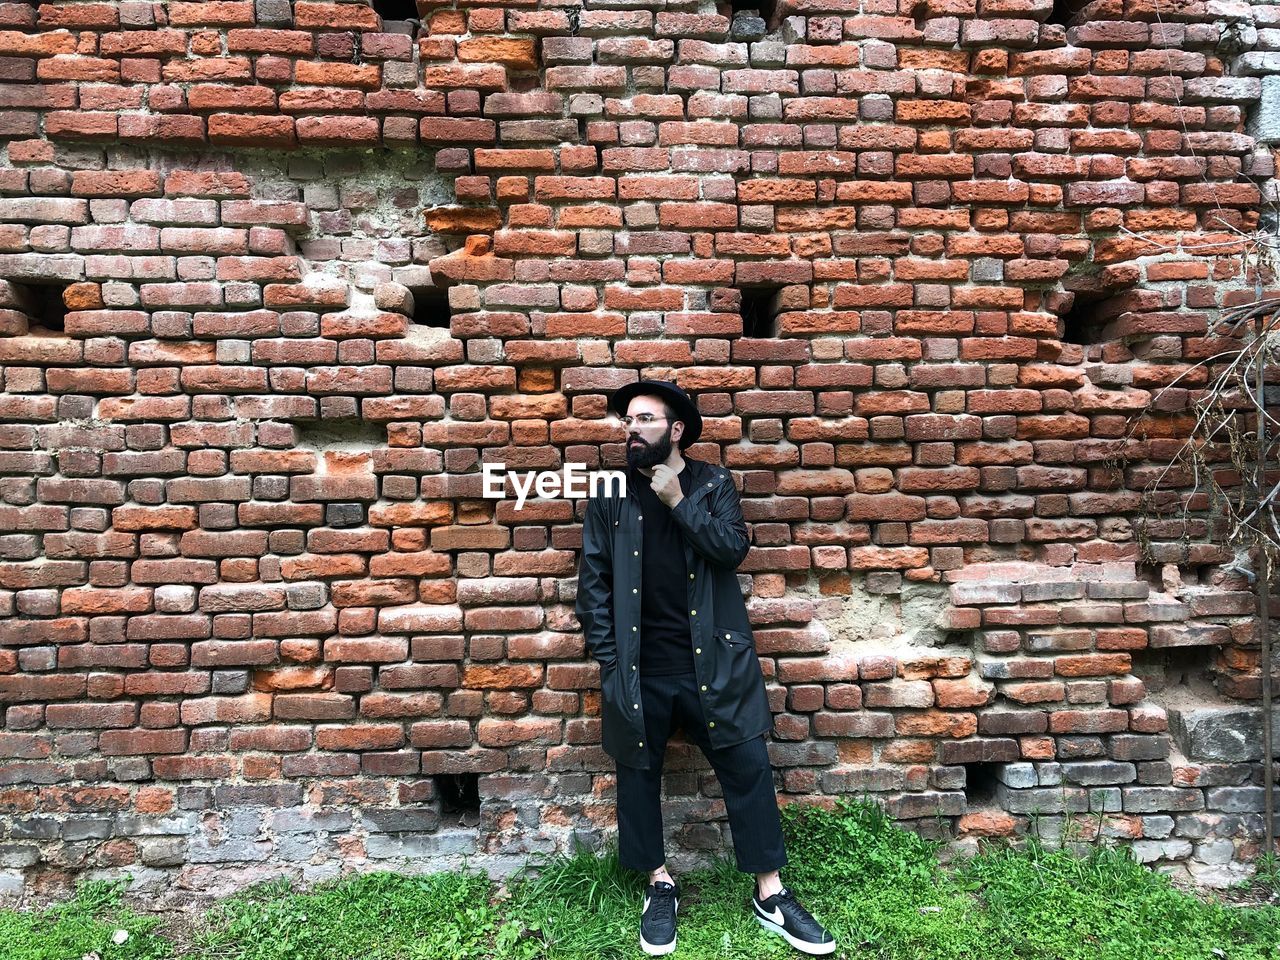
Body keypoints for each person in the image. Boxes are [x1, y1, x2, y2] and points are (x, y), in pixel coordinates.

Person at [574, 379, 836, 956]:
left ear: (675, 430)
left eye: (644, 420)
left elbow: (731, 548)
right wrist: (611, 662)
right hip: (640, 668)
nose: (630, 429)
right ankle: (658, 883)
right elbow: (593, 582)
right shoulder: (609, 493)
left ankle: (770, 892)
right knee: (637, 776)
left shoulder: (712, 483)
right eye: (627, 421)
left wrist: (677, 501)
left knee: (748, 767)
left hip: (713, 664)